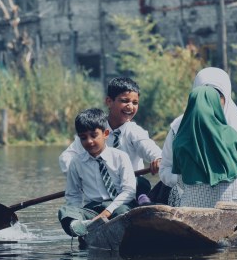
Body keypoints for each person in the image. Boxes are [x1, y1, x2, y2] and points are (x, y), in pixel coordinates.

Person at [159, 67, 237, 205]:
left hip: (190, 202)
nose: (211, 102)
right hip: (230, 202)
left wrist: (190, 177)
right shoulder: (178, 127)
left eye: (219, 96)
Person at [59, 77, 160, 201]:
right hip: (100, 192)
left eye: (135, 102)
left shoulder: (135, 131)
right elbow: (66, 157)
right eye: (124, 101)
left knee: (142, 183)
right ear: (109, 101)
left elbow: (148, 147)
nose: (130, 106)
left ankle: (143, 203)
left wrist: (157, 158)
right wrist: (83, 175)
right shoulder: (94, 131)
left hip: (131, 191)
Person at [57, 108, 136, 238]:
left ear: (105, 134)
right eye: (83, 138)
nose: (89, 141)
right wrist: (77, 214)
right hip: (92, 210)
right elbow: (73, 195)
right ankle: (81, 227)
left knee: (124, 212)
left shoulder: (120, 157)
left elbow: (129, 191)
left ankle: (99, 227)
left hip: (117, 206)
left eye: (94, 136)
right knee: (65, 211)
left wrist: (107, 212)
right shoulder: (76, 163)